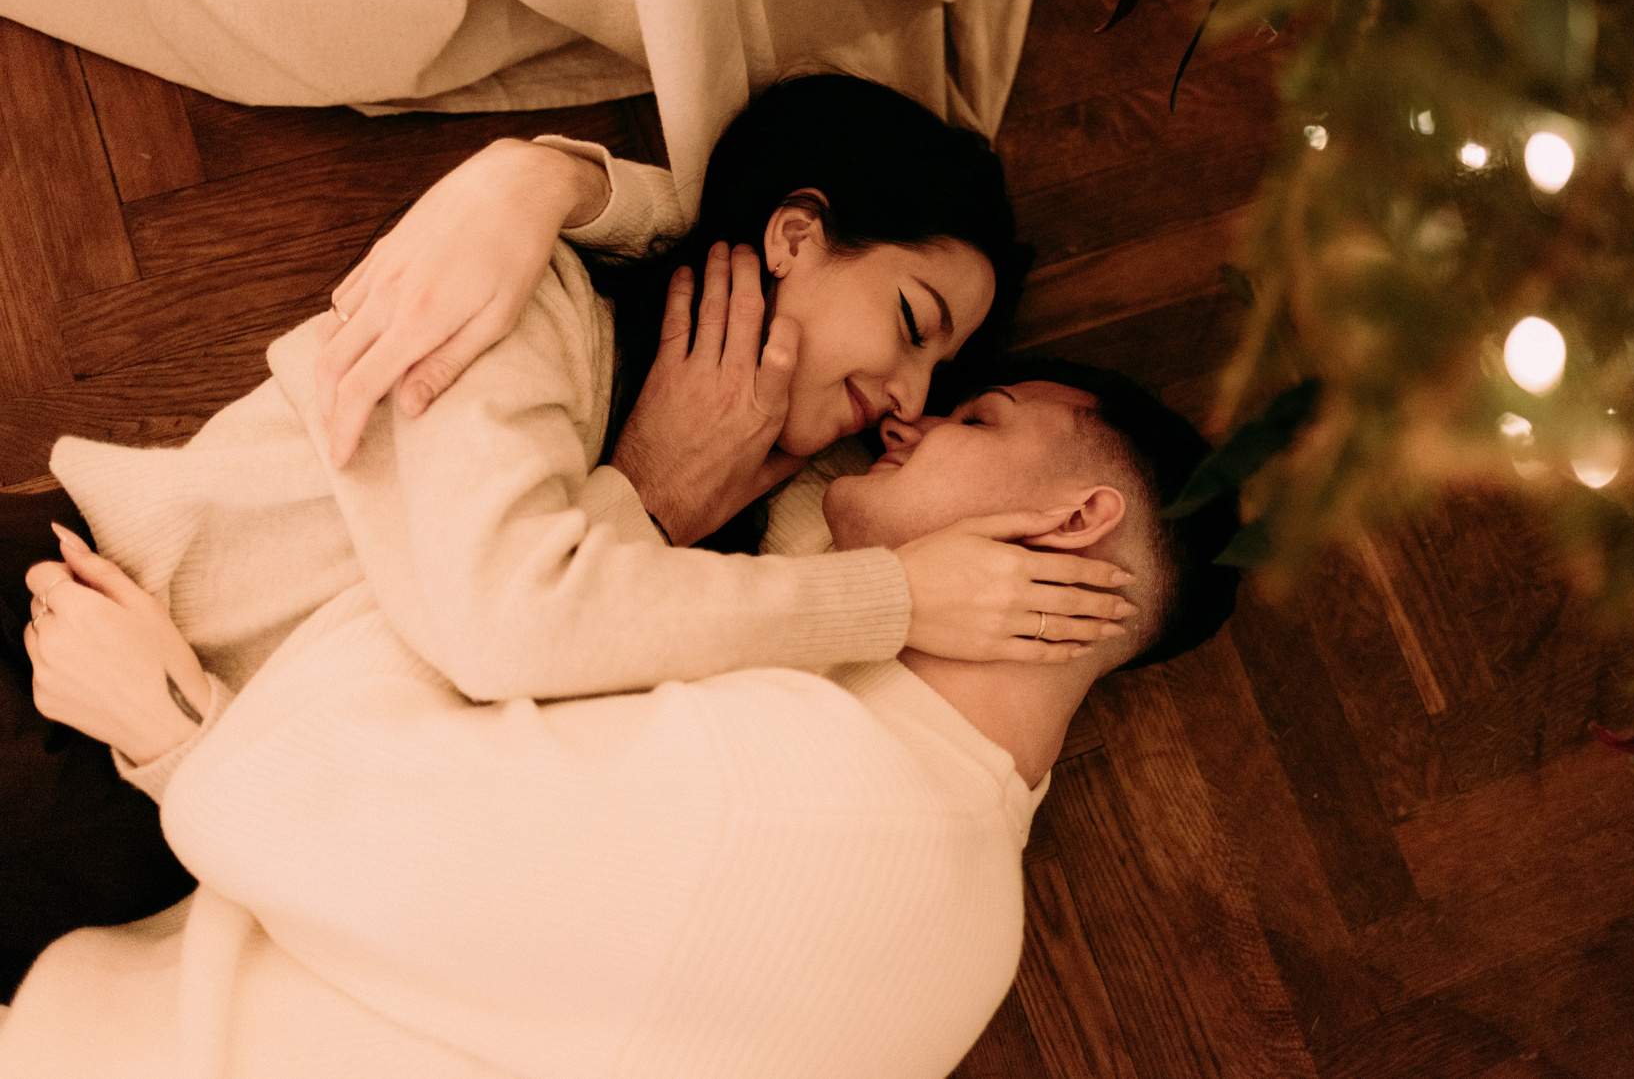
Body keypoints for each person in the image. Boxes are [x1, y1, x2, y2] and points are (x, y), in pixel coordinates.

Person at [0, 73, 1136, 998]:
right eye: (912, 323)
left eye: (944, 376)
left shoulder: (802, 511)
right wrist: (547, 182)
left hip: (214, 826)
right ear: (795, 235)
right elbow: (509, 625)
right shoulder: (528, 302)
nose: (909, 394)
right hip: (71, 620)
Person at [0, 360, 1247, 1078]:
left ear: (1074, 522)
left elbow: (364, 811)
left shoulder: (804, 788)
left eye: (976, 419)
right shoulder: (980, 933)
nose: (908, 416)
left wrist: (178, 734)